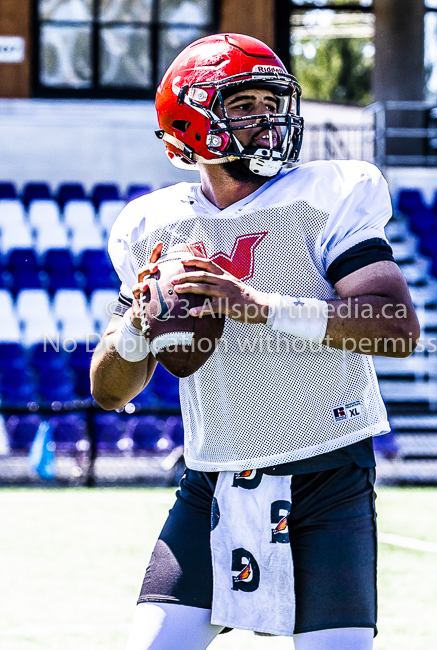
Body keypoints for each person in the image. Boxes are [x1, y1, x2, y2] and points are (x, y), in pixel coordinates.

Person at [90, 33, 420, 650]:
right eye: (244, 105)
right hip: (212, 478)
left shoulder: (329, 192)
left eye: (275, 101)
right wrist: (140, 323)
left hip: (327, 472)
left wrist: (257, 306)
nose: (269, 120)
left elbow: (396, 328)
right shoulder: (151, 224)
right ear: (191, 126)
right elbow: (108, 391)